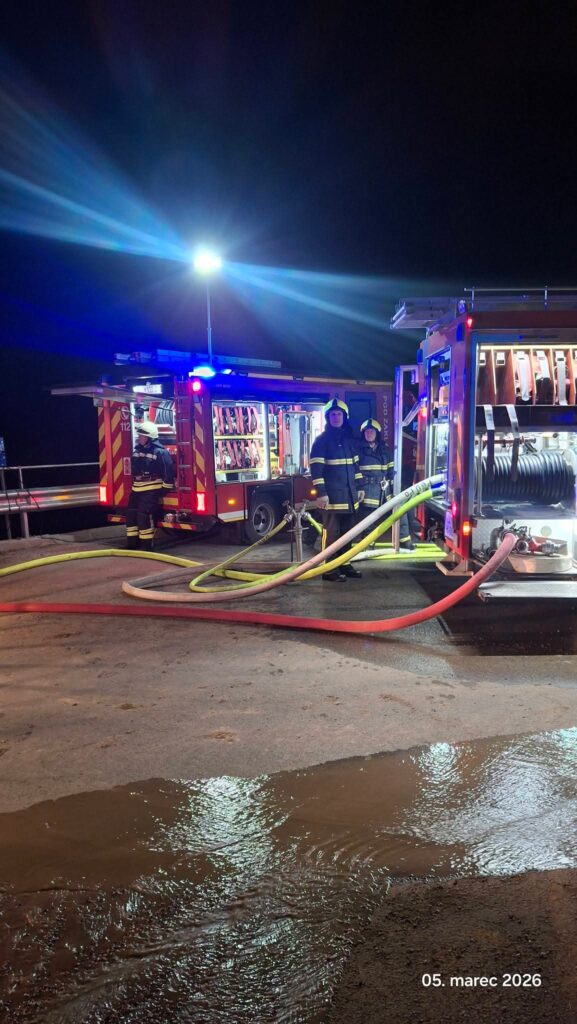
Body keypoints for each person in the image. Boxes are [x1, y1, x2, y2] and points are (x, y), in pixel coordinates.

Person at [310, 398, 364, 580]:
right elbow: (316, 470)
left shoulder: (349, 441)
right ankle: (328, 569)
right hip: (332, 498)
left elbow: (356, 466)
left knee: (347, 534)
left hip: (349, 497)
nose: (336, 417)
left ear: (344, 416)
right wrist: (322, 494)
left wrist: (360, 487)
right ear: (328, 417)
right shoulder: (321, 441)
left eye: (339, 414)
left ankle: (344, 564)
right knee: (331, 533)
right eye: (332, 414)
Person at [357, 418, 416, 551]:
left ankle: (404, 540)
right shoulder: (358, 450)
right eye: (367, 431)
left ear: (377, 433)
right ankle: (368, 544)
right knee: (369, 518)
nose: (369, 433)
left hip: (385, 489)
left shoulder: (385, 450)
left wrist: (395, 486)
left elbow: (391, 470)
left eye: (372, 431)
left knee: (399, 510)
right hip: (368, 489)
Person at [126, 420, 174, 551]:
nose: (139, 437)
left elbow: (168, 471)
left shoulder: (160, 452)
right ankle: (132, 544)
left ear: (149, 437)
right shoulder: (138, 450)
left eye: (141, 435)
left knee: (144, 516)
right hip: (137, 487)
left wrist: (164, 489)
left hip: (151, 488)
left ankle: (146, 546)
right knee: (131, 515)